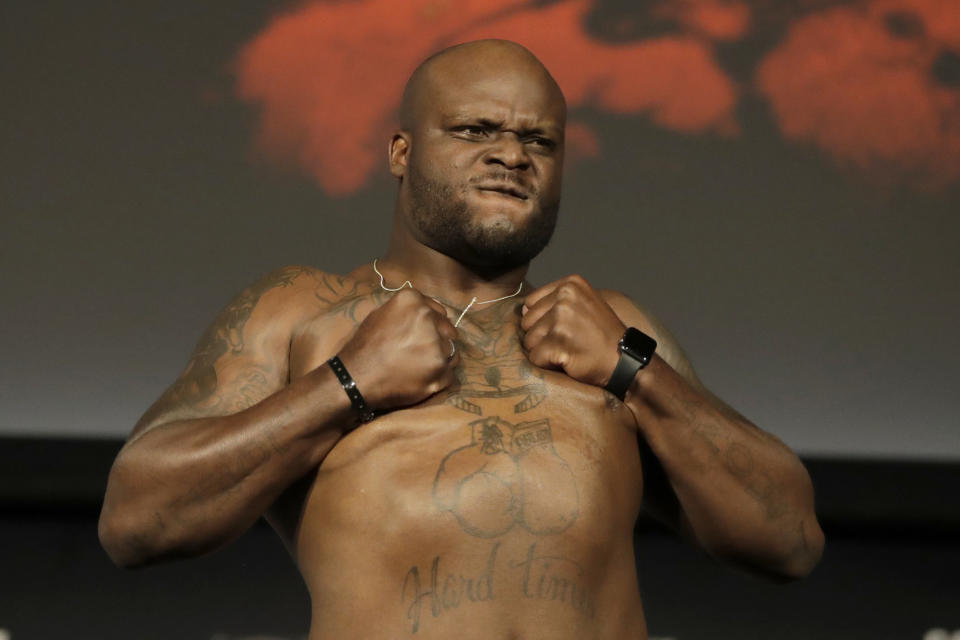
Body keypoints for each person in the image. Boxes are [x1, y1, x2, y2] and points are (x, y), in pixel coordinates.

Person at [99, 39, 824, 638]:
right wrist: (345, 385)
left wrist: (636, 372)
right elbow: (135, 521)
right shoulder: (300, 313)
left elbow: (790, 540)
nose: (511, 154)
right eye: (475, 130)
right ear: (400, 152)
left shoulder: (612, 329)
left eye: (538, 139)